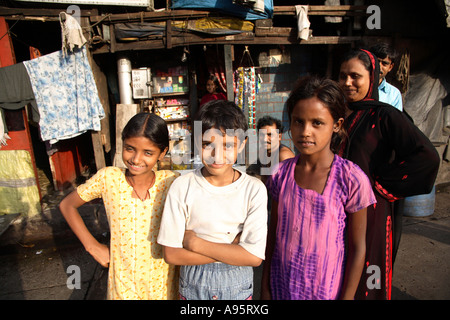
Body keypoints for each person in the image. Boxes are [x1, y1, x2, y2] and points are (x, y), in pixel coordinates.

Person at [261, 75, 376, 300]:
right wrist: (265, 287)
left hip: (326, 291)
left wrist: (348, 297)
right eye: (298, 121)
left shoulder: (350, 179)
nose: (305, 131)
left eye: (317, 123)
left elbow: (358, 247)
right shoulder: (280, 174)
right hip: (281, 285)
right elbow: (272, 237)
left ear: (337, 125)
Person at [337, 49, 440, 300]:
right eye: (342, 76)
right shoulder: (340, 113)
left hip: (372, 208)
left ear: (372, 78)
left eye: (355, 76)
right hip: (337, 205)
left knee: (368, 268)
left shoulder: (385, 115)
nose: (347, 83)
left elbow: (426, 157)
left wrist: (382, 186)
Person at [59, 113, 180, 300]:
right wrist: (92, 246)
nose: (137, 159)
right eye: (130, 149)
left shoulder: (171, 182)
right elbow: (67, 205)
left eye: (148, 152)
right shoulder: (108, 178)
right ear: (122, 143)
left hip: (163, 285)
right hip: (123, 287)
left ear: (162, 153)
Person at [157, 100, 268, 300]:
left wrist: (195, 243)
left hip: (238, 288)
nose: (217, 155)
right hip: (193, 285)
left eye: (228, 145)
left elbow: (253, 257)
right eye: (208, 144)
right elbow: (171, 254)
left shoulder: (254, 190)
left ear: (241, 144)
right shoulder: (182, 187)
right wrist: (232, 250)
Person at [247, 115, 295, 183]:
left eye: (270, 135)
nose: (265, 139)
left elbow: (289, 187)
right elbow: (265, 179)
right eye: (262, 135)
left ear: (279, 136)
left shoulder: (283, 156)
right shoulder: (263, 152)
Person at [369, 43, 403, 111]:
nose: (379, 67)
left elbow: (395, 120)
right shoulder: (357, 87)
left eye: (384, 63)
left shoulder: (394, 94)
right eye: (376, 61)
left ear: (390, 67)